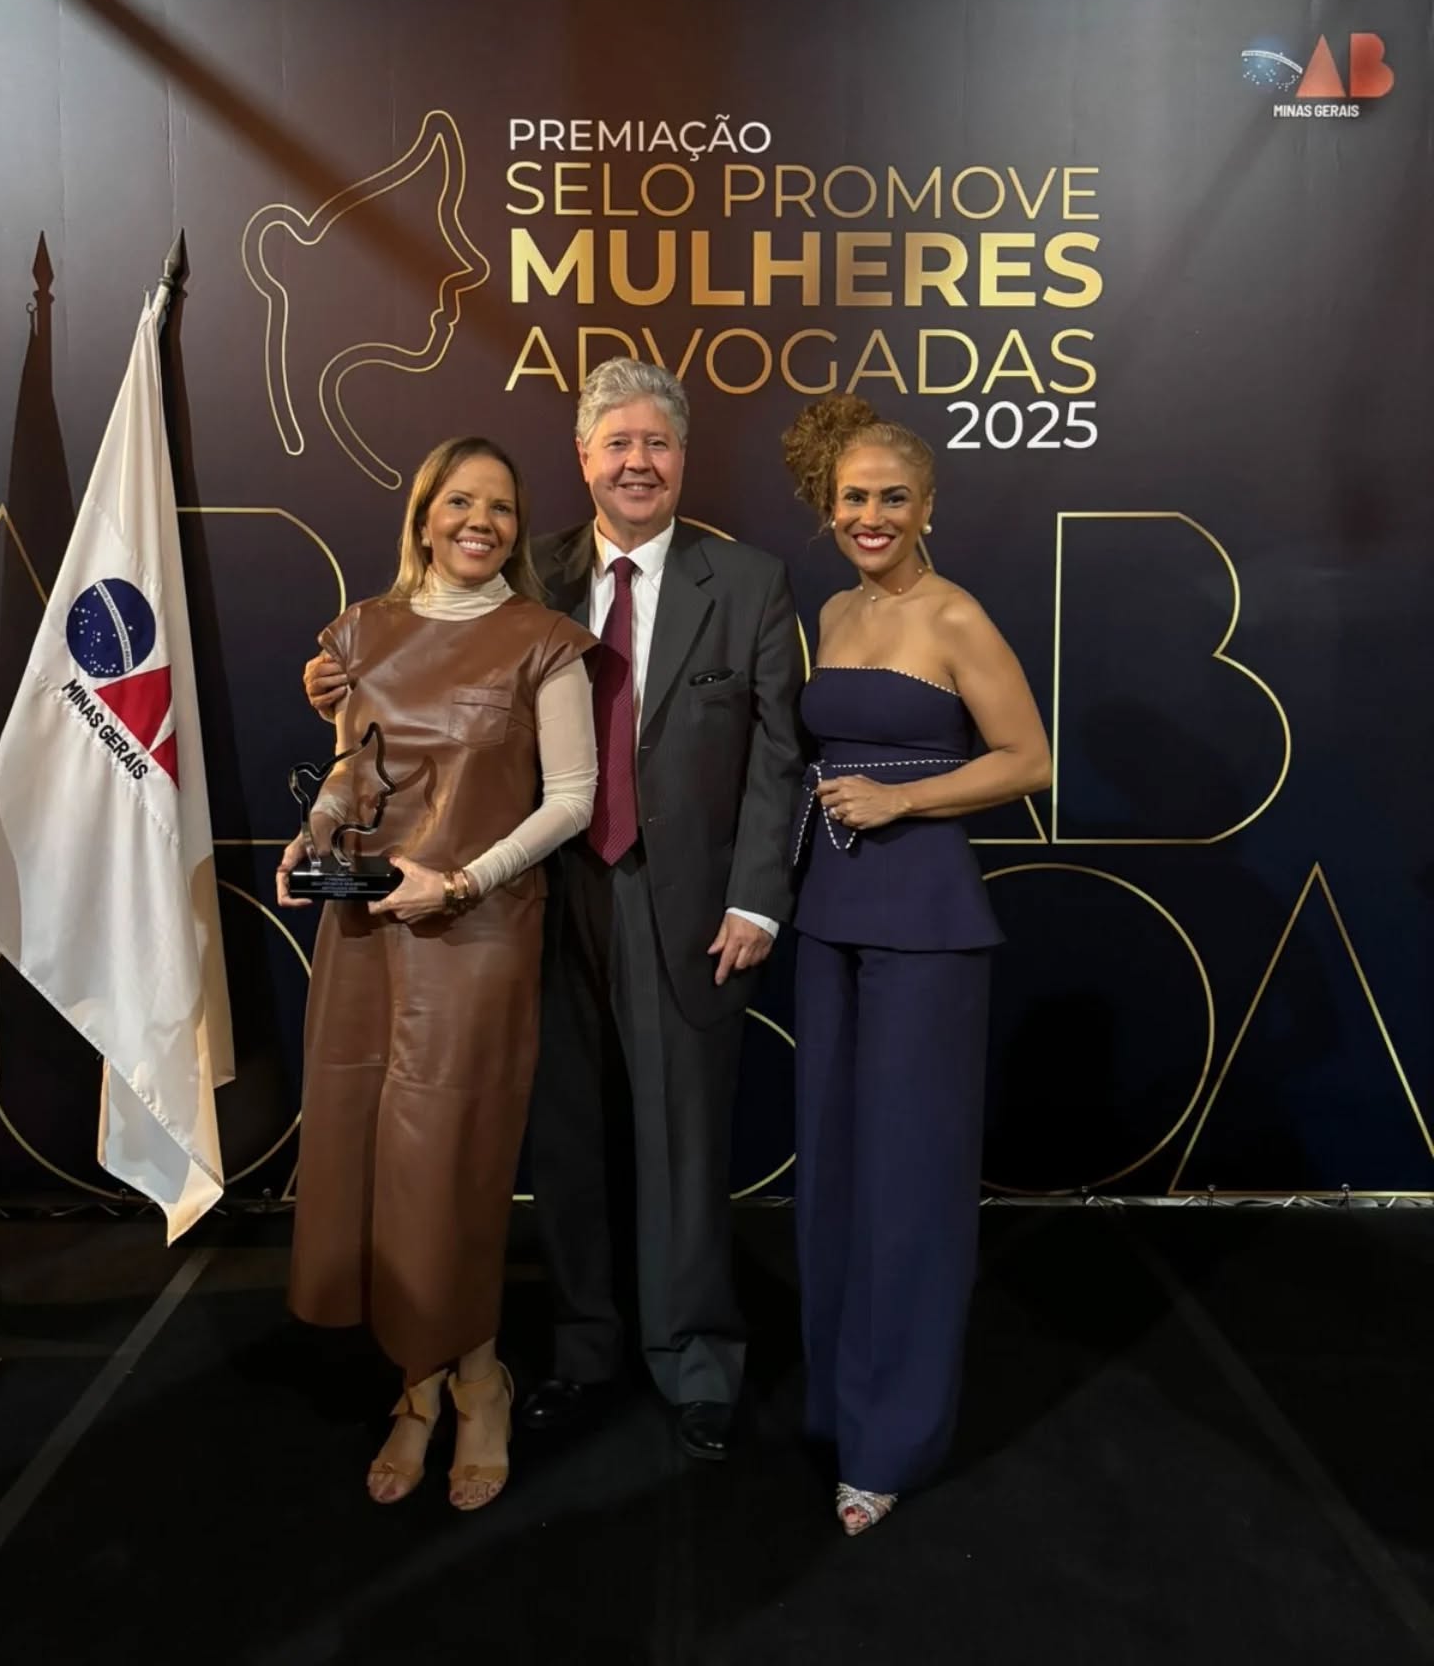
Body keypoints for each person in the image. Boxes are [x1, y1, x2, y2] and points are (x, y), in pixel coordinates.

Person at [305, 359, 806, 1461]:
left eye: (657, 443)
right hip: (539, 897)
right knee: (566, 1136)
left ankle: (695, 1360)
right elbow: (425, 676)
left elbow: (780, 758)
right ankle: (583, 1350)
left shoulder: (750, 581)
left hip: (689, 906)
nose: (638, 462)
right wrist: (344, 682)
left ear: (684, 457)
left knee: (683, 1139)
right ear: (582, 458)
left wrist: (758, 901)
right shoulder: (533, 575)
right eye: (617, 442)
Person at [277, 435, 597, 1511]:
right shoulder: (362, 631)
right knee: (373, 1158)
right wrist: (313, 836)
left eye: (501, 507)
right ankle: (417, 1390)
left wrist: (459, 882)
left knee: (453, 1164)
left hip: (476, 934)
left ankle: (480, 1381)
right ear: (423, 516)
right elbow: (351, 771)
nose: (481, 522)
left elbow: (573, 802)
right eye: (460, 502)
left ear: (518, 528)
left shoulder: (547, 642)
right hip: (366, 931)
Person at [781, 396, 1051, 1535]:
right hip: (828, 913)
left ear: (929, 505)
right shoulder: (835, 610)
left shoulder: (955, 614)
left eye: (894, 497)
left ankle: (891, 1440)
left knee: (910, 1184)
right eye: (855, 497)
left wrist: (903, 799)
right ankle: (842, 1407)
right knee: (836, 1173)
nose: (873, 515)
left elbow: (1029, 759)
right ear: (828, 506)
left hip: (927, 922)